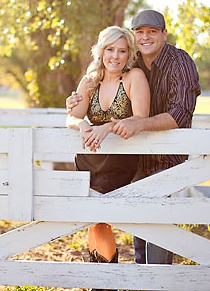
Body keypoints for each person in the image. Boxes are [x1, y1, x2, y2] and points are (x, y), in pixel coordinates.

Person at [66, 10, 201, 265]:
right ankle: (126, 275)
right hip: (121, 156)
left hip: (162, 152)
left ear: (164, 34)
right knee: (124, 221)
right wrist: (77, 116)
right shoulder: (131, 64)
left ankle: (155, 279)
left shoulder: (177, 63)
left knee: (155, 220)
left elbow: (180, 114)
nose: (146, 37)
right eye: (140, 32)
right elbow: (75, 114)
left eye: (152, 32)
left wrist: (120, 126)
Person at [66, 25, 150, 268]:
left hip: (119, 160)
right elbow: (71, 117)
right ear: (101, 51)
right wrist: (81, 125)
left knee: (100, 217)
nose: (115, 56)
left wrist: (108, 128)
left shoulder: (135, 77)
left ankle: (106, 280)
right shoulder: (90, 80)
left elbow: (140, 117)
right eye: (110, 49)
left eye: (122, 51)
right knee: (93, 219)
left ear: (129, 54)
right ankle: (99, 276)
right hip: (89, 158)